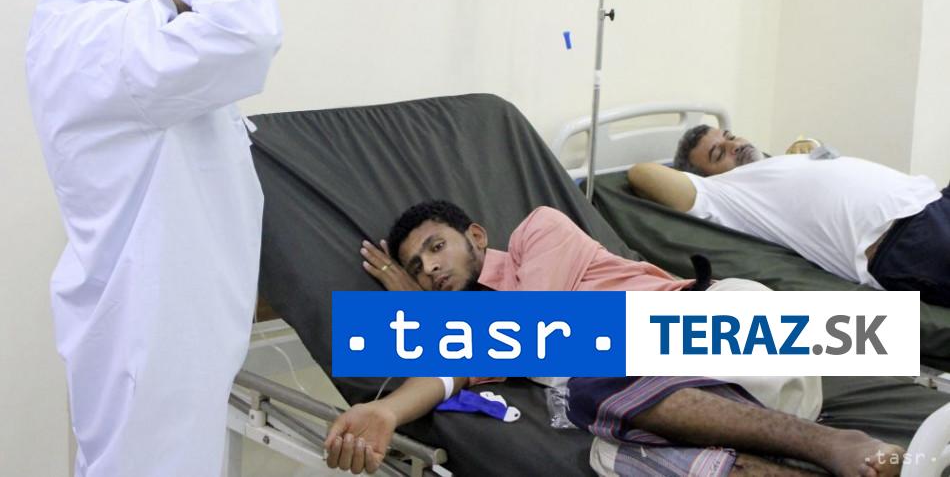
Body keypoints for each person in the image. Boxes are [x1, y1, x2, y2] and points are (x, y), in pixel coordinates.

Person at [324, 201, 903, 476]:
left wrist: (424, 314)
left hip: (727, 324)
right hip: (706, 397)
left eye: (436, 248)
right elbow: (448, 375)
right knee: (612, 431)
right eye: (416, 267)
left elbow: (530, 327)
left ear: (476, 235)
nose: (429, 268)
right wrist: (386, 413)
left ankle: (836, 443)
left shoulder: (537, 232)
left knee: (592, 378)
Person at [26, 0, 283, 476]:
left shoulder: (151, 26)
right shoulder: (104, 40)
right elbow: (244, 37)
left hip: (179, 326)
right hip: (148, 328)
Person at [628, 125, 949, 307]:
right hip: (904, 239)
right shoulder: (723, 191)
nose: (733, 145)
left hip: (934, 199)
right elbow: (641, 174)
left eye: (729, 136)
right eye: (718, 153)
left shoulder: (776, 162)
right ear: (704, 177)